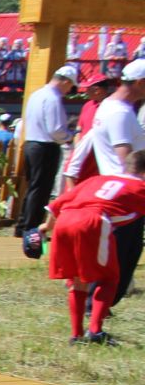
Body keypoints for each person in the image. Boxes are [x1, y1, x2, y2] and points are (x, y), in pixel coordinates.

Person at [41, 149, 145, 343]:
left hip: (65, 221)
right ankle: (95, 331)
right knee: (110, 277)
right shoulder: (139, 186)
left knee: (78, 279)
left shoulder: (97, 179)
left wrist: (46, 227)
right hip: (94, 221)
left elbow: (57, 204)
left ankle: (76, 334)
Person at [70, 60, 145, 301]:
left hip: (117, 192)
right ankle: (96, 306)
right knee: (121, 255)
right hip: (126, 195)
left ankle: (98, 306)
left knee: (124, 252)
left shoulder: (110, 107)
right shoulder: (120, 113)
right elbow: (126, 159)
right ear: (141, 83)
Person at [18, 66, 75, 235]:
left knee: (33, 188)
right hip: (45, 146)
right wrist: (69, 137)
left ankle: (23, 225)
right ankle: (31, 228)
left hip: (31, 143)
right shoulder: (53, 99)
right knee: (41, 189)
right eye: (70, 86)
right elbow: (55, 129)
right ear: (65, 81)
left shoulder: (36, 94)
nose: (69, 90)